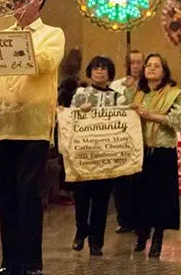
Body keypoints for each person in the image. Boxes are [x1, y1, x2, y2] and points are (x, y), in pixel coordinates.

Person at [0, 0, 64, 275]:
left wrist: (13, 50)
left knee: (29, 196)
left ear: (39, 1)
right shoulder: (0, 38)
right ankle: (10, 263)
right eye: (13, 1)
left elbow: (45, 62)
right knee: (5, 197)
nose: (15, 6)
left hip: (32, 129)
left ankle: (31, 264)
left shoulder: (52, 34)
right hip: (0, 130)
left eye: (23, 0)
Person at [131, 54, 181, 258]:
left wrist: (150, 116)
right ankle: (142, 232)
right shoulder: (137, 94)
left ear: (164, 71)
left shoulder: (175, 94)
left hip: (163, 152)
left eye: (157, 66)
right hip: (140, 151)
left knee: (162, 198)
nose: (152, 68)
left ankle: (158, 238)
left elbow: (178, 121)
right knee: (141, 195)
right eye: (149, 65)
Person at [70, 56, 124, 256]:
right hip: (84, 156)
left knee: (101, 202)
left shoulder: (118, 97)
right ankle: (80, 231)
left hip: (105, 158)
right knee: (82, 199)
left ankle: (96, 242)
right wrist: (79, 112)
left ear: (109, 72)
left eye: (103, 69)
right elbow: (70, 120)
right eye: (95, 68)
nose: (99, 72)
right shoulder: (80, 94)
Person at [110, 49, 144, 233]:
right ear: (127, 65)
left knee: (140, 181)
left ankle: (140, 219)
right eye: (133, 62)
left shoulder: (148, 86)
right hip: (120, 139)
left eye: (140, 62)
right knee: (121, 183)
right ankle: (124, 220)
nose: (137, 66)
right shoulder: (116, 86)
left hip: (141, 139)